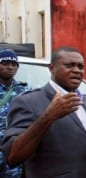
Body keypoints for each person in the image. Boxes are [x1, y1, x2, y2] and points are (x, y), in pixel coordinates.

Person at [1, 47, 86, 178]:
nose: (77, 70)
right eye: (69, 65)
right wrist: (48, 117)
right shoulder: (27, 101)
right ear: (52, 68)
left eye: (80, 66)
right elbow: (12, 156)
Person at [0, 49, 29, 178]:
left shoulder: (24, 90)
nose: (10, 67)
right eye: (5, 63)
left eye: (14, 64)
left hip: (13, 147)